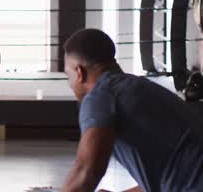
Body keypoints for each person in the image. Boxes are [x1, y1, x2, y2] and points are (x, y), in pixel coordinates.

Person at [60, 29, 203, 191]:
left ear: (79, 73)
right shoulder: (142, 89)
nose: (70, 84)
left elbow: (85, 173)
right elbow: (169, 178)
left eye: (68, 76)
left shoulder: (101, 95)